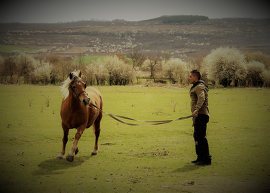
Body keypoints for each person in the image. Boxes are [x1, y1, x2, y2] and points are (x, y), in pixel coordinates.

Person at [189, 70, 211, 165]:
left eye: (190, 76)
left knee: (201, 137)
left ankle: (206, 159)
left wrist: (196, 109)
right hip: (197, 116)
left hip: (201, 115)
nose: (189, 78)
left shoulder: (199, 86)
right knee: (197, 136)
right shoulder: (196, 86)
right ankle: (200, 157)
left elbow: (202, 98)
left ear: (195, 77)